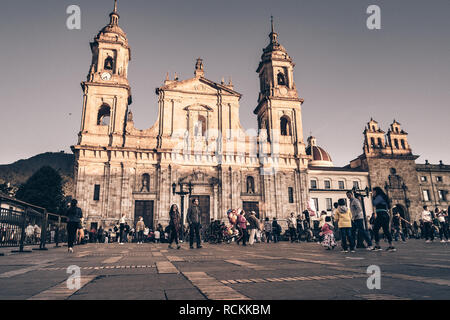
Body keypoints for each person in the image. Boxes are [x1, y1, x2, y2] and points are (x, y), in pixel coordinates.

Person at [371, 187, 396, 251]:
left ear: (376, 191)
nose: (372, 192)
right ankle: (391, 246)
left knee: (376, 229)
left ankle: (378, 246)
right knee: (385, 230)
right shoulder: (383, 196)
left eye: (373, 191)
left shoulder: (379, 197)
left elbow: (374, 203)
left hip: (381, 215)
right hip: (383, 214)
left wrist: (373, 197)